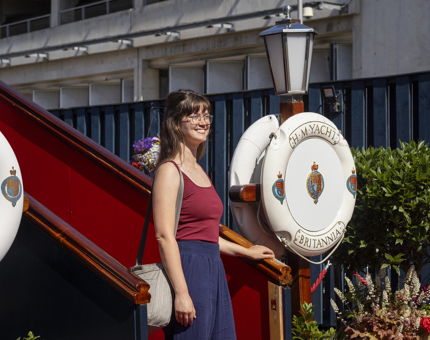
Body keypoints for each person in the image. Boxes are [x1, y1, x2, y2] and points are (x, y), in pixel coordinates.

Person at [152, 90, 275, 340]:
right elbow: (165, 236)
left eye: (206, 115)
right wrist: (182, 293)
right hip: (189, 271)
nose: (203, 121)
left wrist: (247, 251)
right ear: (176, 122)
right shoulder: (170, 170)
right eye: (194, 115)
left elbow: (206, 235)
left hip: (212, 270)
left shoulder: (197, 169)